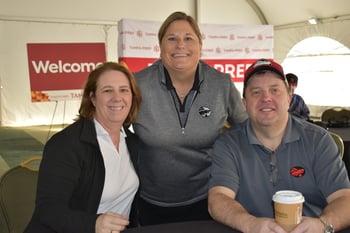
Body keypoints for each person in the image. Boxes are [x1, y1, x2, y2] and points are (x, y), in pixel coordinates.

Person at [208, 58, 350, 233]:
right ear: (245, 104)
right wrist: (251, 225)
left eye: (275, 90)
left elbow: (344, 198)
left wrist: (323, 225)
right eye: (256, 92)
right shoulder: (228, 144)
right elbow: (218, 199)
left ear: (289, 98)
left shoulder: (318, 140)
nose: (266, 98)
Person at [133, 11, 247, 225]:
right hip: (152, 204)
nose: (180, 45)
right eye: (172, 38)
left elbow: (247, 130)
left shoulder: (221, 83)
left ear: (200, 45)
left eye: (188, 38)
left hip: (209, 201)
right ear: (160, 46)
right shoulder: (137, 84)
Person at [24, 62, 142, 233]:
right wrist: (93, 224)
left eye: (124, 90)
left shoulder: (132, 142)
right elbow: (48, 210)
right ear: (92, 98)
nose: (117, 97)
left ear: (132, 96)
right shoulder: (66, 144)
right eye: (108, 90)